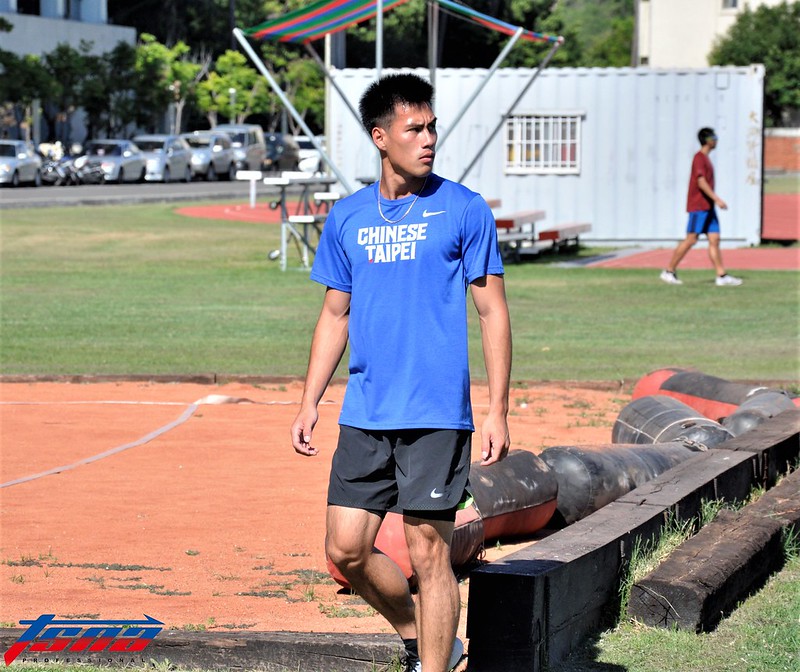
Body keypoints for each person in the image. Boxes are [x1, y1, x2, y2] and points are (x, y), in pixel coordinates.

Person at [290, 73, 512, 672]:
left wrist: (497, 410)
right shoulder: (347, 218)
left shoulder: (463, 209)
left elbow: (492, 312)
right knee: (347, 549)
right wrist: (310, 400)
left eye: (432, 126)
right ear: (380, 136)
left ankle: (434, 666)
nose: (429, 138)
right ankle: (428, 638)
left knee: (429, 550)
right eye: (415, 128)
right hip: (366, 408)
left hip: (437, 410)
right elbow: (335, 315)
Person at [660, 127, 742, 286]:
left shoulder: (706, 159)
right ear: (708, 140)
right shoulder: (699, 158)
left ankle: (721, 276)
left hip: (708, 207)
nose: (717, 140)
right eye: (714, 137)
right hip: (699, 206)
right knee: (691, 239)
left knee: (715, 239)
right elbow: (700, 181)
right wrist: (717, 199)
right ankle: (669, 271)